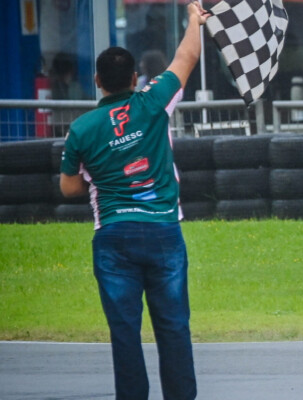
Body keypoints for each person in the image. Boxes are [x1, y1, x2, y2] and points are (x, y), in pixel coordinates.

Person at [59, 2, 209, 399]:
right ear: (135, 77)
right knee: (174, 326)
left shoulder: (81, 129)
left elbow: (69, 188)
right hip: (163, 231)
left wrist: (97, 177)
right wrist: (194, 19)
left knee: (124, 332)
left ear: (97, 81)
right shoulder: (153, 100)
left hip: (112, 235)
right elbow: (187, 56)